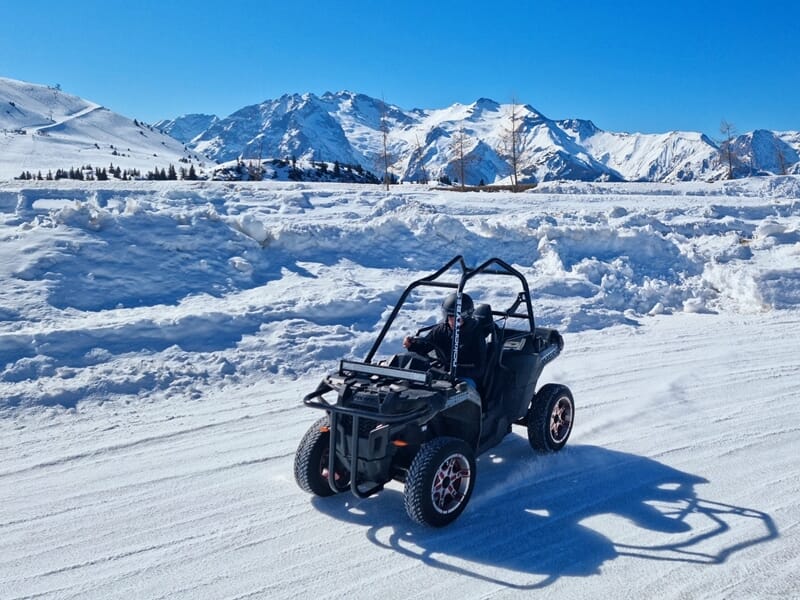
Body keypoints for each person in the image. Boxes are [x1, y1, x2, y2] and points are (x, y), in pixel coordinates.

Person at [403, 292, 487, 393]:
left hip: (465, 377)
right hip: (441, 373)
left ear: (466, 317)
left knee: (462, 391)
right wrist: (412, 345)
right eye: (449, 317)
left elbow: (479, 369)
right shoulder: (442, 329)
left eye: (457, 318)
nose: (452, 321)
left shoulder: (475, 333)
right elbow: (425, 345)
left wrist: (453, 372)